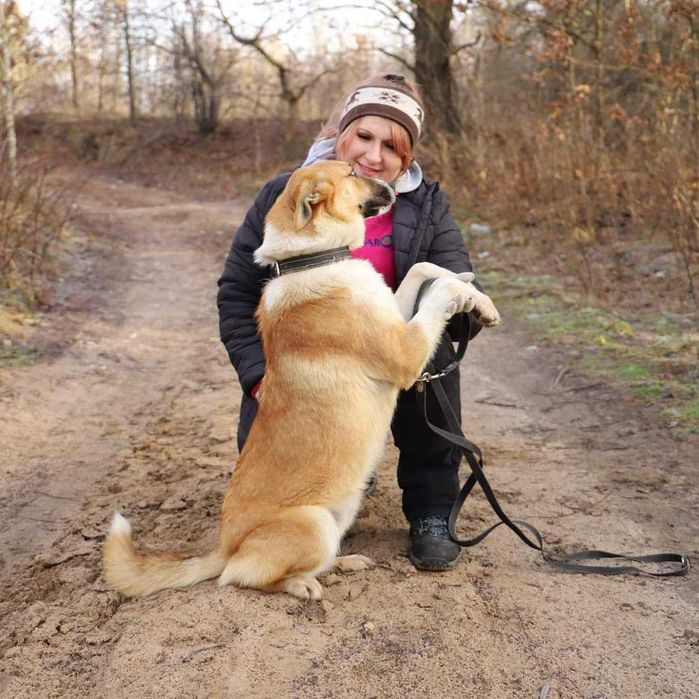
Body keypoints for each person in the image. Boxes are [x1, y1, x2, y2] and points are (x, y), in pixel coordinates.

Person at [217, 73, 487, 571]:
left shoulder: (427, 204)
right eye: (365, 136)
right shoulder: (288, 193)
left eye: (393, 146)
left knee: (436, 358)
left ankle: (430, 510)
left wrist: (456, 312)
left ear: (407, 157)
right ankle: (322, 493)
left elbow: (452, 276)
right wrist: (260, 378)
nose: (374, 155)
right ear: (343, 132)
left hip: (384, 347)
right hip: (310, 377)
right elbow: (236, 295)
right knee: (295, 472)